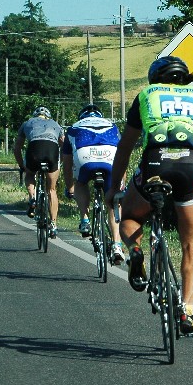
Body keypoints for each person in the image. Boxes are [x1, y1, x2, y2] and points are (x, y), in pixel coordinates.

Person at [108, 56, 193, 336]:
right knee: (192, 242)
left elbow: (125, 147)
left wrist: (114, 188)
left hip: (156, 162)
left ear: (155, 78)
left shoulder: (147, 95)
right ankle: (188, 310)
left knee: (131, 216)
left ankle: (135, 252)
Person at [62, 104, 125, 265]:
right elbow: (123, 154)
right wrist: (121, 185)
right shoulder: (112, 125)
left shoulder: (74, 127)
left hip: (85, 157)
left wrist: (70, 187)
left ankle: (84, 220)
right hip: (110, 157)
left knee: (81, 183)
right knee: (113, 202)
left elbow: (67, 163)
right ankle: (117, 245)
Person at [14, 106, 65, 239]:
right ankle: (53, 224)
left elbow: (17, 147)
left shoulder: (27, 123)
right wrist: (60, 163)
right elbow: (64, 146)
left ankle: (33, 198)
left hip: (34, 149)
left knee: (30, 174)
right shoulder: (56, 124)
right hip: (51, 150)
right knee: (52, 190)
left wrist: (22, 166)